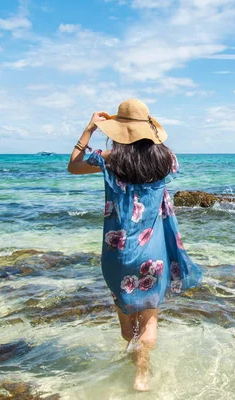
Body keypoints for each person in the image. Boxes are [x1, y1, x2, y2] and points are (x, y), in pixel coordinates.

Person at [67, 98, 203, 391]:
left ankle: (130, 356)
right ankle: (142, 375)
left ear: (119, 130)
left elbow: (73, 166)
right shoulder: (167, 159)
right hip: (153, 252)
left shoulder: (108, 159)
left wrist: (89, 128)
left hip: (117, 251)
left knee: (127, 318)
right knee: (150, 317)